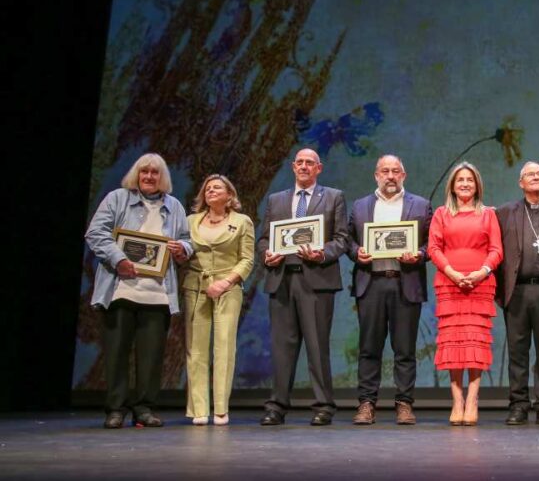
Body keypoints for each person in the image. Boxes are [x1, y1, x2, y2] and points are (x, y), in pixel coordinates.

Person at [84, 153, 192, 429]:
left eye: (155, 173)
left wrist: (183, 249)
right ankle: (116, 409)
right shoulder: (117, 198)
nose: (149, 177)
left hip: (157, 294)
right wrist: (118, 259)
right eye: (144, 172)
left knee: (152, 356)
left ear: (162, 178)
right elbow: (96, 233)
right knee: (117, 353)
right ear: (136, 174)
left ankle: (144, 408)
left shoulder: (175, 206)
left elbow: (186, 240)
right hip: (120, 291)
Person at [258, 148, 349, 426]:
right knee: (282, 348)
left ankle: (323, 406)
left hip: (316, 281)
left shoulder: (333, 197)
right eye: (300, 162)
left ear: (319, 168)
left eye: (310, 163)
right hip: (283, 280)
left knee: (317, 347)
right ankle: (276, 407)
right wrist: (267, 254)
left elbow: (342, 239)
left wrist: (321, 253)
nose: (304, 167)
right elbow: (264, 239)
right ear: (293, 166)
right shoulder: (276, 200)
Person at [346, 155, 432, 425]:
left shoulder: (421, 205)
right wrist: (354, 252)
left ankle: (404, 404)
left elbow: (433, 243)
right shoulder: (360, 206)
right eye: (385, 171)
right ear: (376, 175)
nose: (391, 175)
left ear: (404, 175)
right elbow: (347, 239)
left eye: (396, 171)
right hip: (370, 282)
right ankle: (366, 404)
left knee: (404, 349)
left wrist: (418, 254)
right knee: (369, 348)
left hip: (404, 282)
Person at [428, 162, 503, 426]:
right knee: (453, 344)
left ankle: (472, 399)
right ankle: (456, 400)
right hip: (450, 285)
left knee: (475, 344)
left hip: (480, 285)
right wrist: (452, 273)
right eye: (460, 180)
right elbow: (434, 248)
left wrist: (482, 271)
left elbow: (496, 250)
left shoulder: (488, 215)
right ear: (452, 185)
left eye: (470, 180)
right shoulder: (441, 214)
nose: (465, 184)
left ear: (477, 184)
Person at [495, 161, 539, 426]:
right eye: (530, 175)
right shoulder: (503, 213)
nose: (536, 177)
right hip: (518, 291)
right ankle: (518, 405)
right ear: (520, 183)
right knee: (517, 352)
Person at [181, 174, 254, 426]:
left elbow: (247, 259)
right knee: (196, 349)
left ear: (229, 195)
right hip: (195, 287)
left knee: (223, 347)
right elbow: (183, 253)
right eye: (208, 188)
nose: (211, 191)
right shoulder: (190, 221)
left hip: (228, 287)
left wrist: (226, 282)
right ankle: (199, 409)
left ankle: (221, 408)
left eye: (217, 187)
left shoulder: (242, 222)